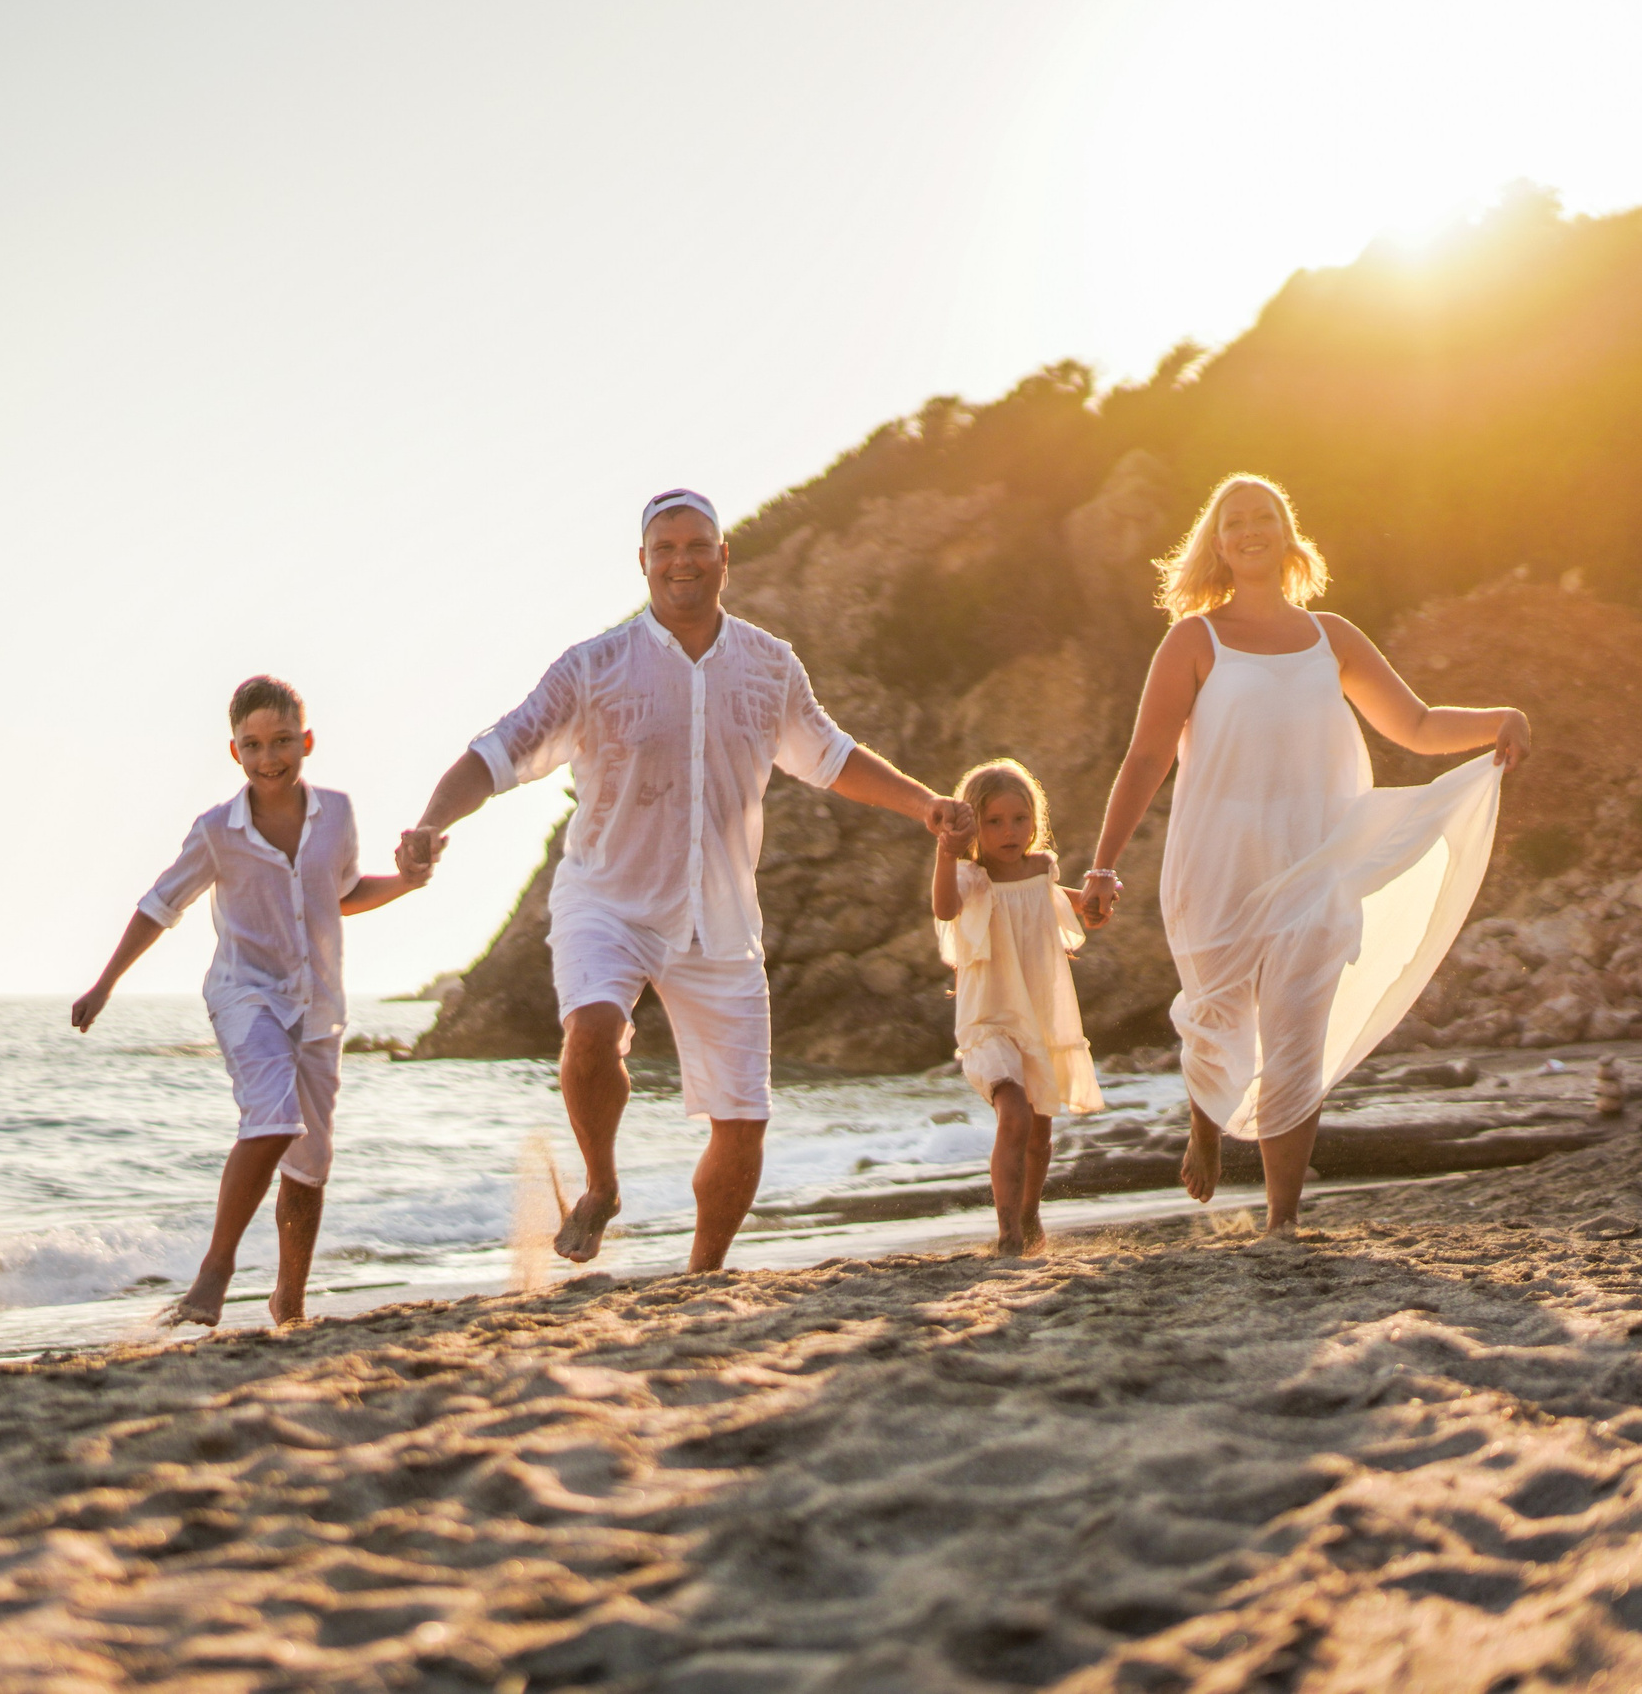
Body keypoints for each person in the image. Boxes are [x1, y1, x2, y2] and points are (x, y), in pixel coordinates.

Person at [402, 488, 976, 1273]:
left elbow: (832, 756)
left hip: (721, 917)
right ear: (643, 563)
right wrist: (432, 821)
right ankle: (602, 1184)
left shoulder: (770, 665)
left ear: (723, 557)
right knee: (591, 1030)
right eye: (665, 549)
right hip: (608, 899)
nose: (683, 561)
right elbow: (497, 752)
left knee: (743, 1121)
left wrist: (924, 805)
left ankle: (703, 1274)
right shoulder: (593, 666)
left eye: (697, 545)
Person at [1079, 474, 1529, 1232]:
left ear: (1287, 534)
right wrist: (1102, 864)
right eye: (1234, 522)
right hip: (1219, 859)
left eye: (1265, 517)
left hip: (1319, 859)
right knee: (1217, 1016)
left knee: (1295, 1039)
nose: (1250, 529)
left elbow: (1415, 724)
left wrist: (1499, 719)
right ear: (1217, 544)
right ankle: (1205, 1128)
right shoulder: (1194, 639)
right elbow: (1147, 756)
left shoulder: (1333, 637)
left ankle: (1281, 1219)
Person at [71, 676, 431, 1327]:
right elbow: (159, 905)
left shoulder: (338, 814)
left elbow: (342, 893)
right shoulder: (218, 831)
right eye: (255, 744)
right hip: (246, 994)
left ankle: (289, 1300)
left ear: (307, 742)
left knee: (311, 1165)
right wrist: (105, 982)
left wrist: (406, 881)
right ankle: (215, 1270)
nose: (270, 757)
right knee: (273, 1117)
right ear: (235, 751)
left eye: (283, 740)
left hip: (319, 1005)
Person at [931, 758, 1103, 1258]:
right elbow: (944, 908)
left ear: (1035, 820)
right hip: (988, 1018)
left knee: (1040, 1130)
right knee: (1014, 1114)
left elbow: (1054, 899)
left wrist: (1092, 899)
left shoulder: (1041, 869)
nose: (1009, 831)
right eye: (994, 821)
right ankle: (1008, 1233)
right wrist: (946, 854)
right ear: (973, 826)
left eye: (1019, 819)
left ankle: (1030, 1214)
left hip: (1040, 1014)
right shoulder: (970, 878)